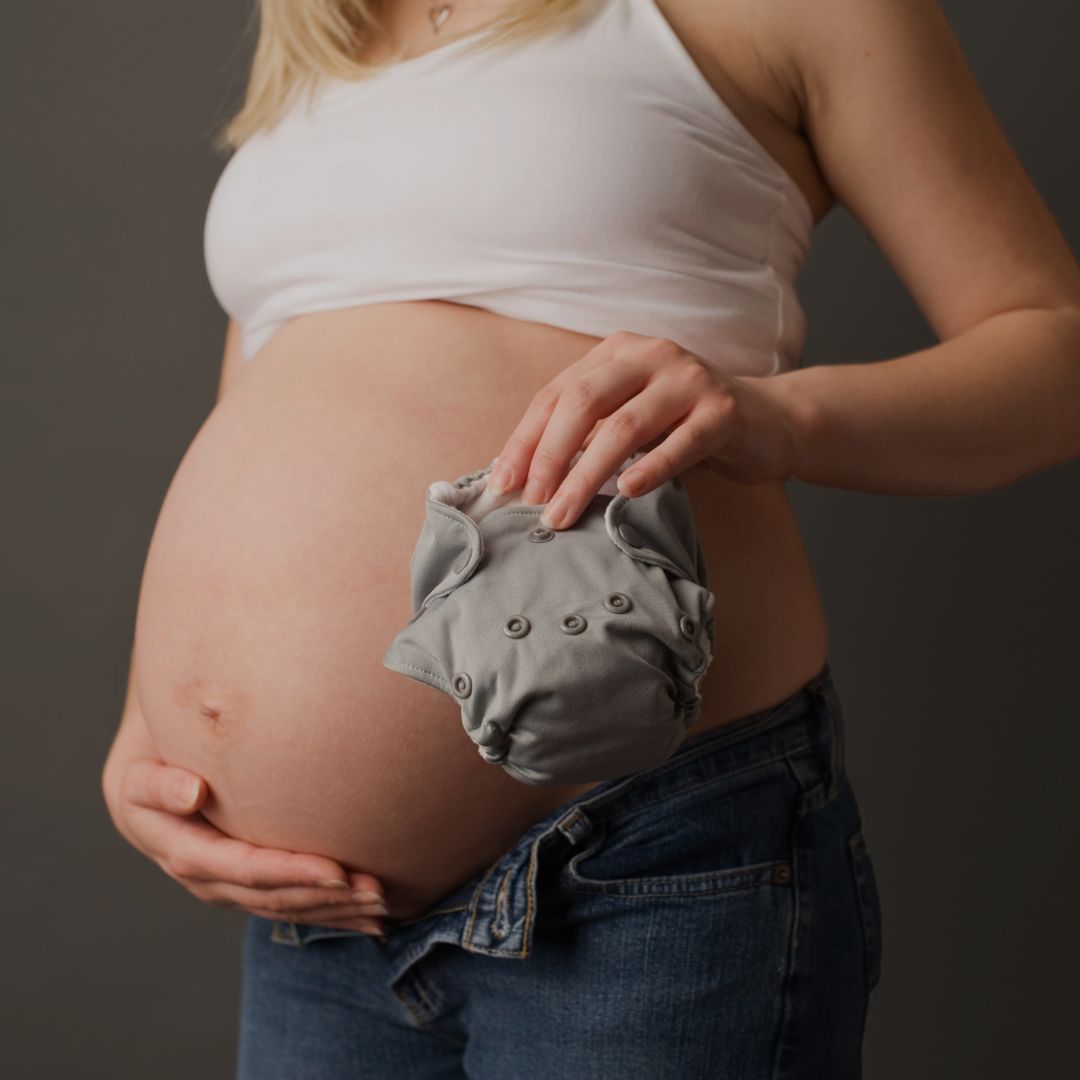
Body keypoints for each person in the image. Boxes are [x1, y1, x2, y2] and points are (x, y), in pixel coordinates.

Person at [100, 0, 1080, 1075]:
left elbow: (1055, 358)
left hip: (640, 864)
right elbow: (272, 401)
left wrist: (781, 418)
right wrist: (154, 729)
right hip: (318, 913)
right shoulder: (324, 33)